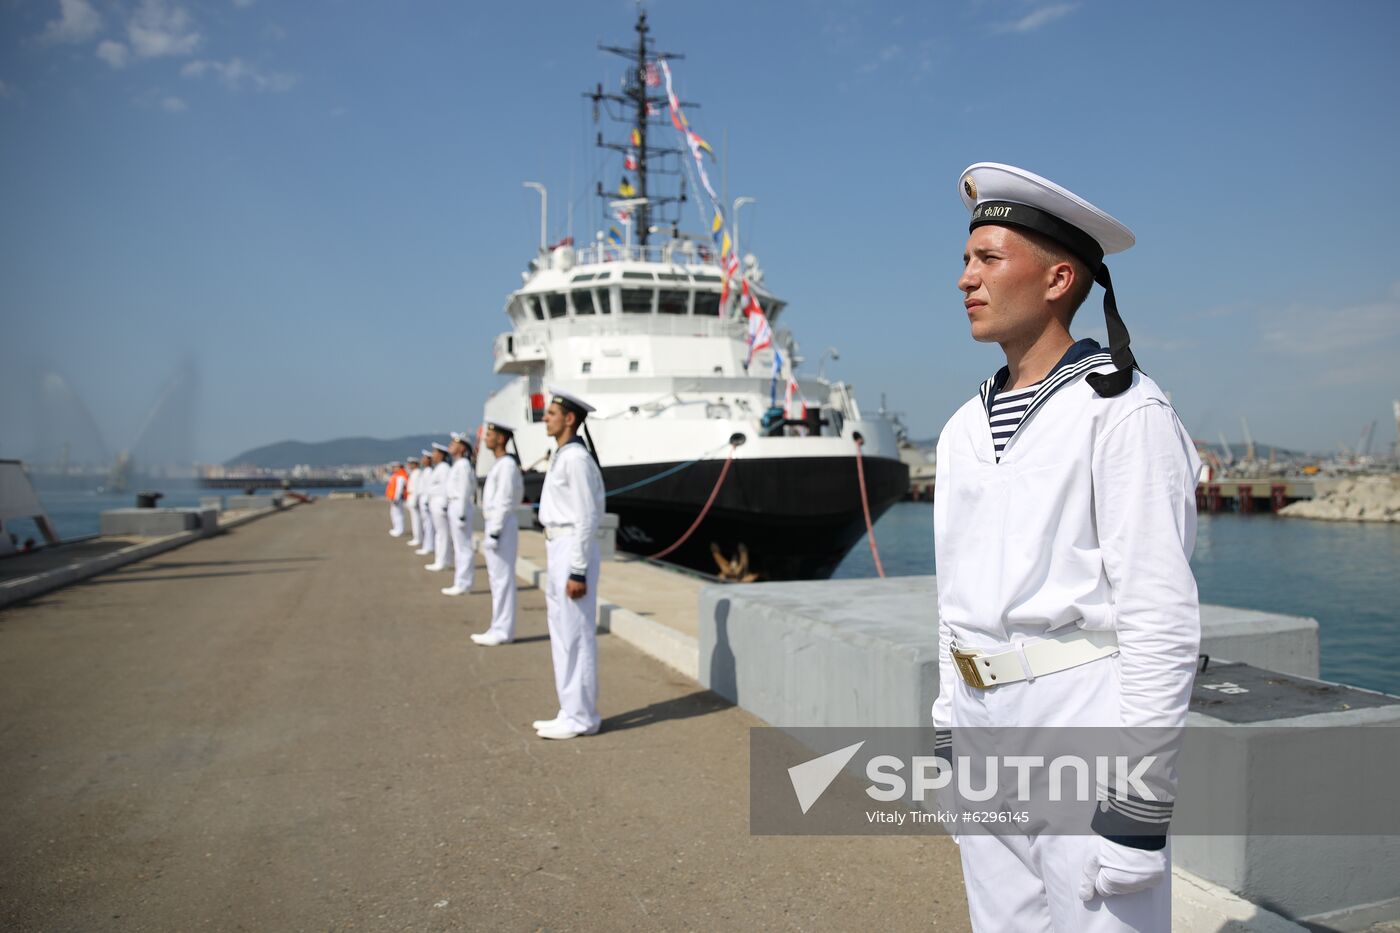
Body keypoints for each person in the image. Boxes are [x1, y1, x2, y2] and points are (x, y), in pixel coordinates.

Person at [933, 163, 1201, 933]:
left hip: (1080, 712)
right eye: (966, 259)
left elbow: (1158, 615)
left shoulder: (1124, 411)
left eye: (988, 258)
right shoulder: (959, 428)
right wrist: (950, 733)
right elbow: (953, 598)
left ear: (1057, 278)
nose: (965, 279)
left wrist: (1140, 800)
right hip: (983, 713)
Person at [532, 386, 606, 740]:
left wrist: (578, 569)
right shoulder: (563, 454)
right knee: (563, 632)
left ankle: (582, 716)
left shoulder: (575, 459)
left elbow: (586, 517)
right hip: (557, 545)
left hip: (571, 548)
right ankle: (570, 709)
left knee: (576, 633)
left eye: (551, 413)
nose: (545, 418)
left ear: (569, 418)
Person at [471, 420, 525, 646]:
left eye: (490, 435)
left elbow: (503, 501)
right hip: (497, 524)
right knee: (497, 579)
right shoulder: (501, 464)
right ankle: (498, 626)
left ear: (502, 438)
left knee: (502, 580)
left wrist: (494, 532)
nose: (486, 438)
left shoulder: (506, 466)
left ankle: (502, 630)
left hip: (500, 526)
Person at [441, 431, 477, 596]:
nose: (451, 445)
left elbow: (463, 490)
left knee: (463, 547)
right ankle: (461, 581)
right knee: (459, 546)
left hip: (459, 506)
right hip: (455, 505)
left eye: (454, 443)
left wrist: (461, 513)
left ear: (462, 447)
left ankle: (463, 583)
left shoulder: (462, 465)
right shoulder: (459, 464)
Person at [423, 442, 452, 572]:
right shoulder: (439, 468)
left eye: (435, 452)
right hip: (435, 502)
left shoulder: (444, 468)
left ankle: (442, 561)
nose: (432, 455)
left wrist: (444, 505)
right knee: (439, 533)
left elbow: (447, 488)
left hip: (440, 503)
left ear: (441, 454)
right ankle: (441, 559)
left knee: (442, 534)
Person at [414, 449, 436, 556]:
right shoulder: (426, 471)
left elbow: (429, 488)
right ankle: (427, 545)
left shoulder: (430, 471)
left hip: (426, 499)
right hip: (423, 498)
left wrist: (427, 501)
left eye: (425, 458)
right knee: (425, 524)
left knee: (428, 524)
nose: (422, 460)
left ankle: (429, 545)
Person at [384, 462, 409, 536]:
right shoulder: (396, 475)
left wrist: (396, 499)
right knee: (394, 514)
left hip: (397, 499)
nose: (393, 468)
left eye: (394, 467)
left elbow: (399, 489)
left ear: (399, 467)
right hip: (394, 498)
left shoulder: (400, 476)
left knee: (398, 514)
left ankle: (399, 530)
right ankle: (396, 528)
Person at [404, 455, 423, 546]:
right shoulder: (414, 473)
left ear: (415, 464)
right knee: (414, 519)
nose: (409, 465)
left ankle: (418, 538)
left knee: (416, 520)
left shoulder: (417, 473)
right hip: (411, 497)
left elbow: (417, 488)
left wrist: (414, 501)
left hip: (414, 498)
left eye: (411, 464)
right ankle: (416, 537)